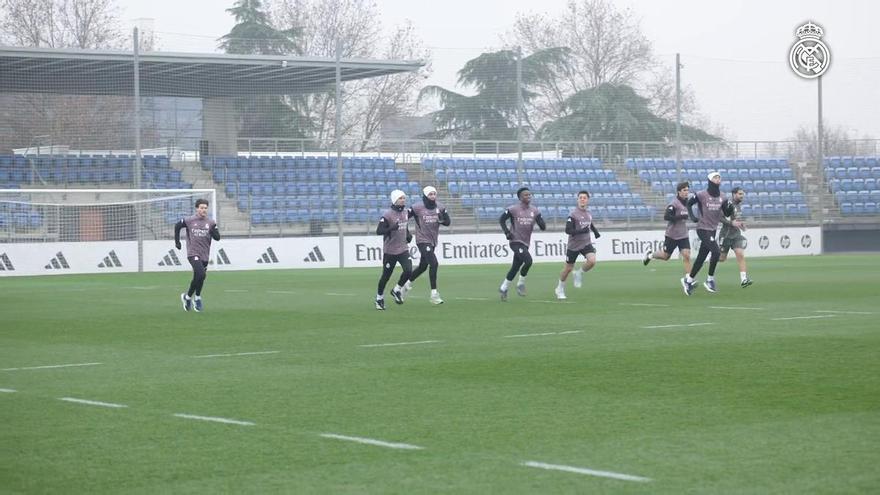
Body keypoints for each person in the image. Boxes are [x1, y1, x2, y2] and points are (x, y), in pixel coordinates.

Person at [682, 171, 734, 295]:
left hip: (712, 229)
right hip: (702, 228)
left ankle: (688, 281)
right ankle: (710, 279)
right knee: (716, 252)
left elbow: (726, 214)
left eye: (719, 177)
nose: (718, 179)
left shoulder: (723, 196)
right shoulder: (701, 194)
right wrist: (693, 217)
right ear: (710, 180)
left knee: (701, 257)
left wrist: (730, 208)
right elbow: (689, 203)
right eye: (715, 177)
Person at [403, 186, 451, 305]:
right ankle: (434, 294)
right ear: (425, 195)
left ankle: (406, 284)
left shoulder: (440, 207)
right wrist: (406, 232)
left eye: (434, 194)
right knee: (434, 263)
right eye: (430, 194)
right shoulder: (417, 207)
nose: (433, 196)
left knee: (423, 267)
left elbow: (448, 222)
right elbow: (403, 218)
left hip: (433, 240)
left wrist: (442, 220)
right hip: (422, 240)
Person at [498, 186, 546, 301]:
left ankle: (503, 288)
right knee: (528, 261)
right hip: (515, 241)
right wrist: (507, 232)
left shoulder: (534, 210)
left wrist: (541, 222)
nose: (528, 196)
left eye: (529, 194)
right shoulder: (513, 209)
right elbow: (501, 219)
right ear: (520, 197)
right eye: (526, 195)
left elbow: (542, 226)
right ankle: (520, 284)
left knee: (515, 267)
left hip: (525, 243)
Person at [174, 198, 220, 312]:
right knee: (201, 274)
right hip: (193, 252)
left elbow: (217, 238)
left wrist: (214, 231)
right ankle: (198, 298)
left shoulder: (211, 222)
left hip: (205, 254)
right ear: (197, 208)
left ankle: (188, 297)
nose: (204, 210)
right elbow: (177, 226)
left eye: (205, 208)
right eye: (201, 208)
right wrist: (177, 242)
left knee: (199, 277)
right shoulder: (190, 220)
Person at [555, 190, 600, 300]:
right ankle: (560, 288)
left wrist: (595, 231)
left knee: (592, 261)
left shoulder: (589, 214)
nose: (582, 199)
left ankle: (579, 273)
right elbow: (567, 230)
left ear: (587, 200)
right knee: (568, 269)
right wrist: (581, 231)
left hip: (586, 243)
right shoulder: (573, 214)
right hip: (574, 245)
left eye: (584, 197)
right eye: (580, 197)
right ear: (577, 200)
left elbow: (589, 224)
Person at [643, 181, 693, 279]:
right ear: (679, 192)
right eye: (684, 190)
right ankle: (650, 255)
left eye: (687, 190)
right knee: (666, 256)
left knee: (686, 255)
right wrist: (679, 216)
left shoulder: (687, 202)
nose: (686, 192)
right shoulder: (674, 203)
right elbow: (666, 216)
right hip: (672, 235)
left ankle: (688, 279)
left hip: (683, 235)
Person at [374, 189, 413, 310]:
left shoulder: (406, 212)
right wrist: (392, 228)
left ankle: (396, 289)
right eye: (400, 198)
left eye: (404, 198)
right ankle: (379, 298)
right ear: (395, 200)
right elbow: (379, 231)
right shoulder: (387, 214)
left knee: (408, 270)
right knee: (386, 276)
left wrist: (408, 233)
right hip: (390, 251)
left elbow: (404, 225)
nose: (403, 200)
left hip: (403, 249)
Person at [718, 186, 754, 288]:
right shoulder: (728, 204)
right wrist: (731, 223)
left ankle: (743, 279)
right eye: (740, 194)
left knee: (740, 254)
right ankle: (711, 257)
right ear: (734, 194)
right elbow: (720, 218)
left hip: (736, 235)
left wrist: (740, 224)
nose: (742, 196)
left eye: (742, 194)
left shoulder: (738, 206)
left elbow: (735, 219)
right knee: (721, 258)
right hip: (726, 235)